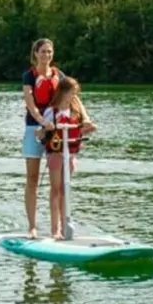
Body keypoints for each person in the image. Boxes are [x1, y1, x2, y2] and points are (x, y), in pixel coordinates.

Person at [42, 76, 97, 240]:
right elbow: (43, 131)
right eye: (71, 93)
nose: (73, 97)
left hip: (70, 154)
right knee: (56, 188)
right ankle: (55, 229)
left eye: (75, 93)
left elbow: (81, 131)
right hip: (56, 154)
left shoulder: (76, 111)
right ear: (63, 92)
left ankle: (66, 226)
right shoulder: (51, 111)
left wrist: (89, 128)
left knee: (66, 189)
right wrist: (45, 129)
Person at [21, 38, 64, 239]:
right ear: (36, 54)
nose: (47, 55)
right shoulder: (29, 76)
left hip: (55, 131)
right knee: (32, 178)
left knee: (58, 182)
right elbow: (30, 102)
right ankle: (32, 226)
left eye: (50, 52)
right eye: (43, 52)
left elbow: (73, 97)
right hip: (33, 128)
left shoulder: (59, 76)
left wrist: (86, 119)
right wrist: (41, 121)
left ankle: (57, 228)